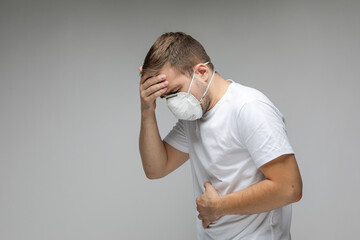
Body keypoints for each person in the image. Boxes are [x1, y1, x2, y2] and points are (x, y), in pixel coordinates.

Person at [138, 32, 302, 240]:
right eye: (165, 97)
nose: (173, 103)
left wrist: (218, 207)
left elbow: (289, 188)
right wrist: (147, 110)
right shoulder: (193, 118)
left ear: (202, 72)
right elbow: (156, 168)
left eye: (176, 91)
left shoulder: (248, 108)